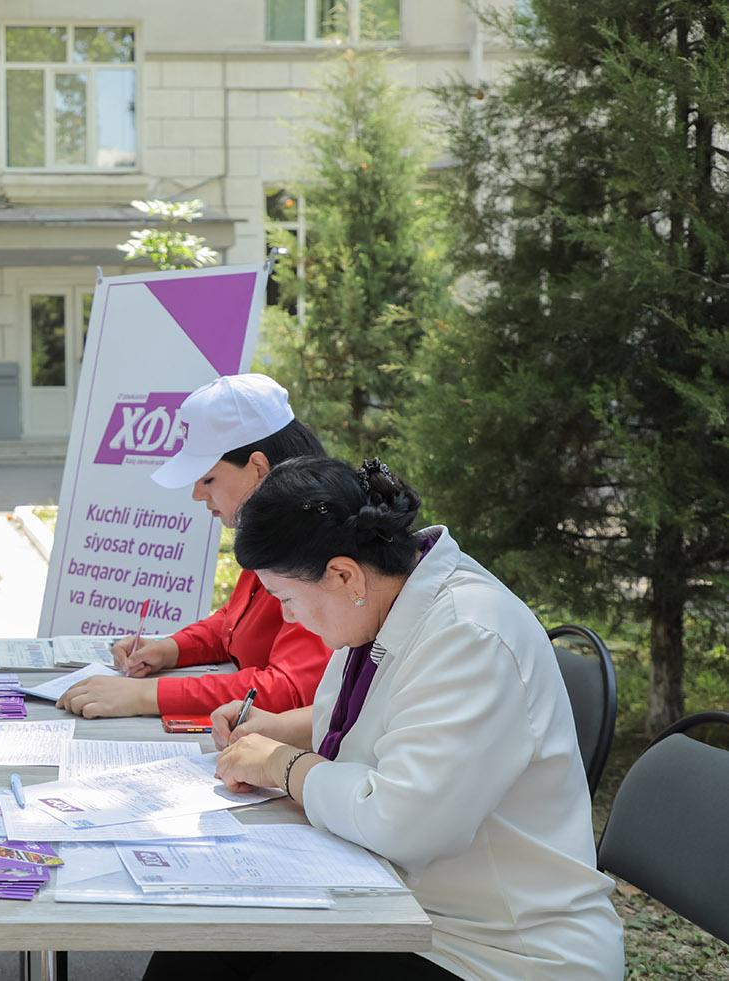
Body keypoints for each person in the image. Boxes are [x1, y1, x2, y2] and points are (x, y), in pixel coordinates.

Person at [178, 456, 624, 979]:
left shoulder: (469, 636)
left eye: (286, 598)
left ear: (343, 573)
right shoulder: (384, 599)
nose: (288, 616)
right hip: (402, 903)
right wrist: (277, 727)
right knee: (203, 942)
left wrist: (281, 763)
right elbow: (388, 717)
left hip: (496, 950)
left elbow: (402, 821)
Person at [58, 374, 331, 720]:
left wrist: (145, 696)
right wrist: (170, 649)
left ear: (258, 468)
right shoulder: (281, 527)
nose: (197, 494)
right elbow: (237, 623)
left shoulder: (316, 542)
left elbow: (291, 690)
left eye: (208, 479)